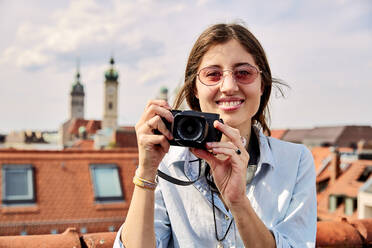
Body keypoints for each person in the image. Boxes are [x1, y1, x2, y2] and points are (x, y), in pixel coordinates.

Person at [113, 23, 317, 248]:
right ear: (194, 89)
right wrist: (146, 171)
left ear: (262, 84)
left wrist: (239, 203)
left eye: (243, 73)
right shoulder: (168, 164)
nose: (229, 86)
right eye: (213, 75)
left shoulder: (296, 162)